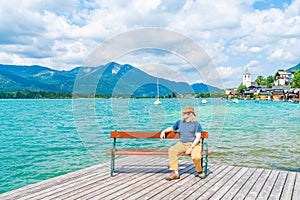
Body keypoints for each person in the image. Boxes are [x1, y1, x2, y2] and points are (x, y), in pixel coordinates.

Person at [160, 106, 205, 180]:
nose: (184, 114)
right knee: (172, 150)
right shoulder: (179, 122)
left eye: (186, 113)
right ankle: (175, 173)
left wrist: (191, 148)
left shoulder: (196, 124)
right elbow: (172, 128)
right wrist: (163, 131)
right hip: (182, 143)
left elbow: (198, 137)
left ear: (191, 114)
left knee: (196, 157)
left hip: (194, 145)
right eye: (184, 113)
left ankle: (199, 171)